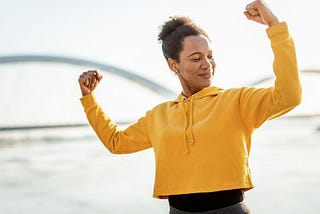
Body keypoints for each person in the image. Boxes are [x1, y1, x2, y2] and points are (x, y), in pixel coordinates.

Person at [78, 0, 302, 213]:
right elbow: (117, 143)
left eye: (210, 56)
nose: (207, 65)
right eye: (196, 58)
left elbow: (289, 96)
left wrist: (274, 26)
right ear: (173, 64)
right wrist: (89, 99)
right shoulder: (158, 116)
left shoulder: (237, 101)